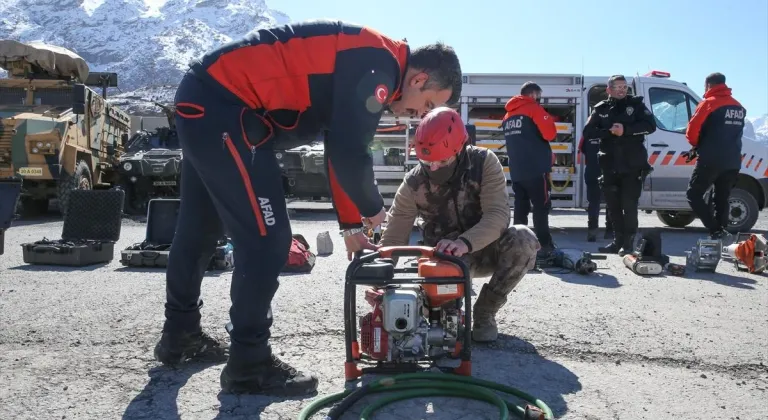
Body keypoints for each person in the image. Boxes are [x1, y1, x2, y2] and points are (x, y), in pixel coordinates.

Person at [153, 19, 463, 396]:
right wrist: (377, 213)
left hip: (205, 103)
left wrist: (352, 227)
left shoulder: (375, 59)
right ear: (419, 79)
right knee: (268, 241)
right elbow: (351, 155)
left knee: (200, 229)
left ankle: (180, 336)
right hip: (226, 108)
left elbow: (337, 148)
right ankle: (249, 363)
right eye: (428, 104)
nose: (420, 114)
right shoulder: (379, 67)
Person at [379, 107, 540, 343]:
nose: (433, 168)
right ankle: (443, 312)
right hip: (443, 260)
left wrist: (464, 243)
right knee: (445, 333)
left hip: (485, 250)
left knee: (523, 239)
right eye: (426, 161)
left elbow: (498, 215)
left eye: (442, 161)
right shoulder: (414, 182)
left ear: (460, 149)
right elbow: (394, 236)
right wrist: (379, 278)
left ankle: (485, 312)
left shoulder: (484, 163)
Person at [583, 75, 656, 255]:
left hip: (632, 166)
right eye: (618, 87)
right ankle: (617, 241)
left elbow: (650, 126)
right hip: (609, 165)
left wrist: (626, 131)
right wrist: (608, 132)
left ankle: (629, 243)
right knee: (613, 206)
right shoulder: (601, 109)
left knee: (629, 205)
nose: (622, 90)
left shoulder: (636, 105)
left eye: (624, 87)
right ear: (609, 90)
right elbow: (588, 132)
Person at [685, 72, 745, 240]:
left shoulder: (708, 104)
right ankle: (720, 231)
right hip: (733, 161)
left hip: (710, 160)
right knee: (721, 198)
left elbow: (692, 132)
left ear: (709, 86)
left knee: (693, 195)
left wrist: (697, 145)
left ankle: (714, 227)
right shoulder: (739, 106)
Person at [501, 82, 558, 257]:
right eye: (539, 96)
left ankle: (518, 246)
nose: (539, 100)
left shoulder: (508, 116)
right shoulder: (533, 109)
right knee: (541, 207)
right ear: (533, 95)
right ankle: (545, 245)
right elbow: (550, 134)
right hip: (536, 168)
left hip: (517, 170)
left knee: (521, 207)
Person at [578, 135, 613, 242]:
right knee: (611, 202)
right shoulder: (612, 131)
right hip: (608, 172)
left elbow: (582, 149)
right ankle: (610, 231)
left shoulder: (588, 133)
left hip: (592, 171)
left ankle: (592, 231)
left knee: (593, 202)